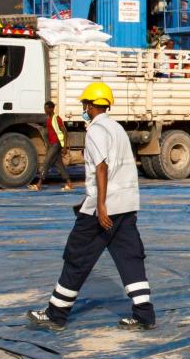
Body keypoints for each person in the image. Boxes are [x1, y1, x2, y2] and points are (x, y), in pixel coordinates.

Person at [27, 82, 155, 332]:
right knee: (130, 258)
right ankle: (144, 314)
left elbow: (102, 167)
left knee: (77, 256)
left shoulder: (96, 130)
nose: (83, 108)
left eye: (85, 104)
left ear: (90, 105)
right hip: (126, 206)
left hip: (103, 210)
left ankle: (56, 313)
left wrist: (101, 206)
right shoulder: (117, 128)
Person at [29, 101, 73, 192]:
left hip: (57, 144)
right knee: (59, 165)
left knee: (46, 162)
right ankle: (69, 183)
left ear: (51, 109)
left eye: (46, 108)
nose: (45, 110)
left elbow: (64, 132)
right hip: (52, 144)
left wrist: (64, 147)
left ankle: (39, 184)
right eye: (44, 108)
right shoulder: (49, 118)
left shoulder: (56, 119)